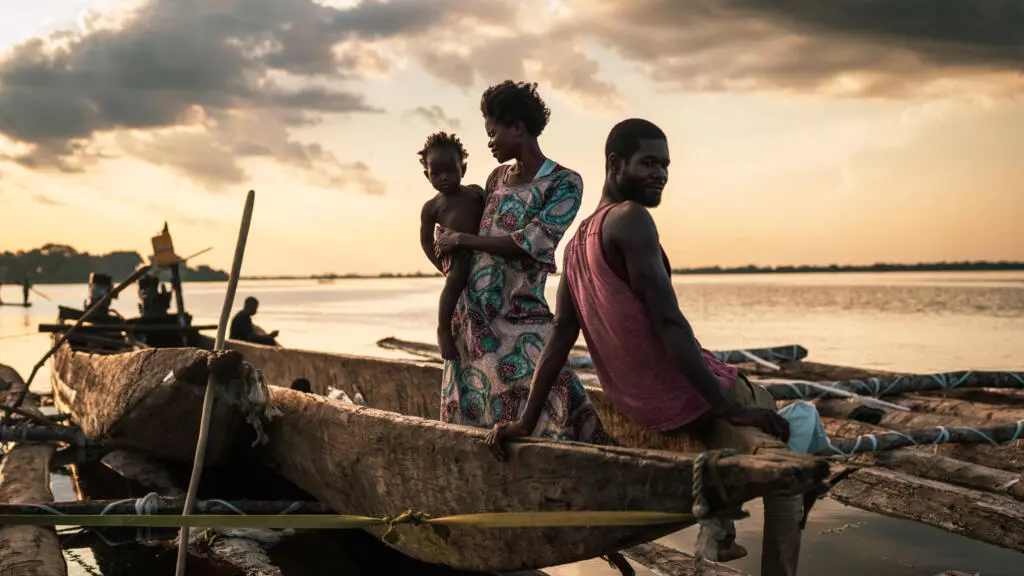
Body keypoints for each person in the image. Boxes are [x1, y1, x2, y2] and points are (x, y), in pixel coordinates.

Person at [484, 119, 804, 576]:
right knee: (793, 469)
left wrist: (525, 421)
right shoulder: (631, 219)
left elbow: (559, 339)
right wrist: (726, 409)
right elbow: (669, 323)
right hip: (692, 399)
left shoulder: (576, 246)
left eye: (666, 165)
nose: (661, 174)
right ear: (616, 164)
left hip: (644, 408)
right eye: (649, 163)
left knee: (772, 429)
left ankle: (721, 527)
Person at [433, 80, 609, 444]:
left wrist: (460, 239)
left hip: (521, 314)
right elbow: (470, 244)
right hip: (474, 317)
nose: (489, 142)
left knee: (558, 385)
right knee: (476, 404)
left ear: (517, 127)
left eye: (493, 133)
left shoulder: (564, 183)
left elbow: (530, 244)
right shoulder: (496, 179)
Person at [418, 132, 485, 360]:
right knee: (456, 278)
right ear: (427, 175)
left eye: (450, 171)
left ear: (463, 170)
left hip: (483, 249)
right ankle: (444, 330)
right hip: (456, 256)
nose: (443, 177)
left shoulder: (476, 193)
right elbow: (426, 241)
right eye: (436, 173)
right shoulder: (431, 207)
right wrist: (441, 267)